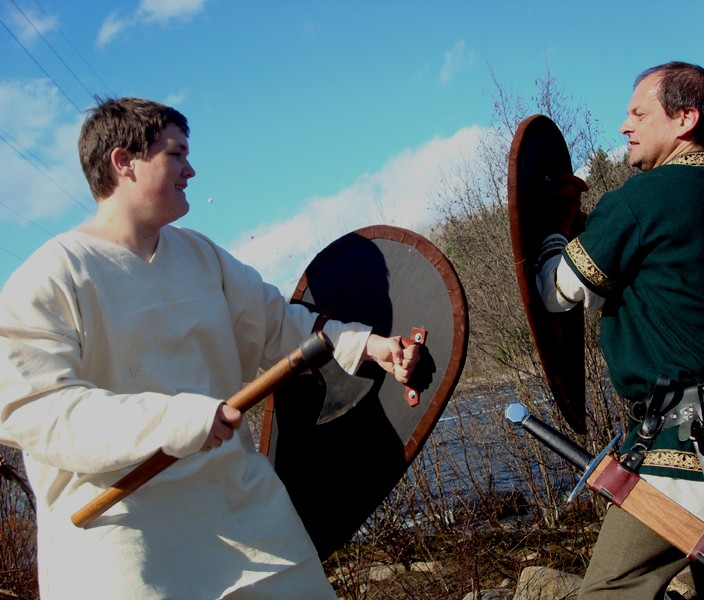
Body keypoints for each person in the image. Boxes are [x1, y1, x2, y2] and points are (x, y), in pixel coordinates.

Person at [0, 97, 420, 599]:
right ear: (123, 162)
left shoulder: (199, 255)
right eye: (175, 154)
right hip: (123, 532)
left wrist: (366, 343)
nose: (190, 170)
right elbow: (32, 407)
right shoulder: (54, 275)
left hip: (241, 509)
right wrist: (173, 421)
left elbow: (276, 323)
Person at [536, 62, 704, 599]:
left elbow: (558, 290)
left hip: (683, 450)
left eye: (638, 112)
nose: (624, 125)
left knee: (608, 593)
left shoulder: (644, 199)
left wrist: (553, 234)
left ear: (684, 118)